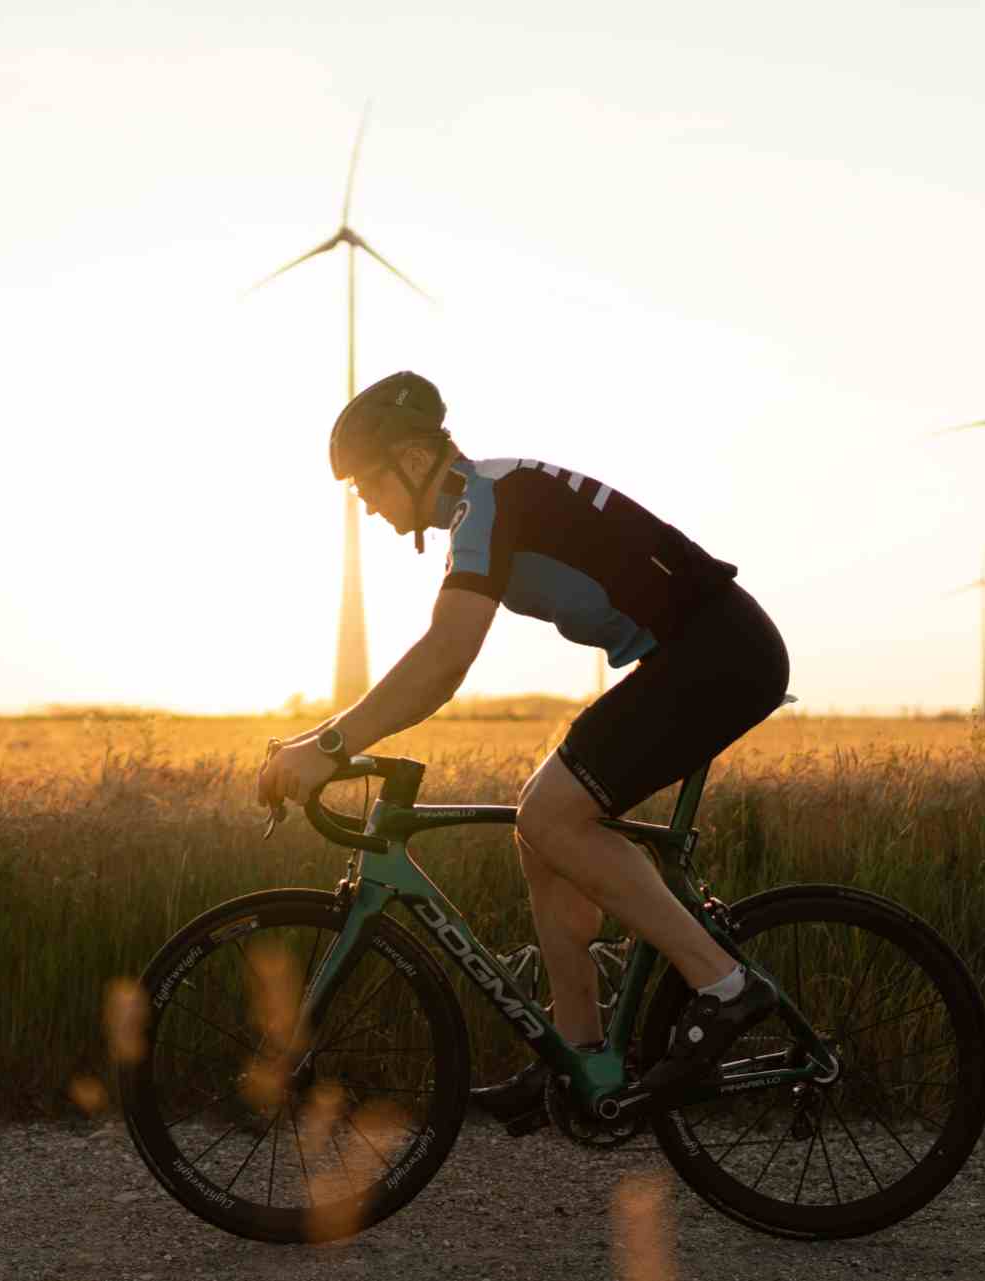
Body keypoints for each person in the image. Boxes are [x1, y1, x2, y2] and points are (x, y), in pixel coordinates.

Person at [255, 370, 791, 1132]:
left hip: (716, 652)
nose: (366, 507)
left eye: (365, 483)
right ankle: (576, 1055)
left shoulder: (484, 504)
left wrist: (331, 742)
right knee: (540, 827)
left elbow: (444, 659)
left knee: (552, 813)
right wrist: (323, 739)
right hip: (698, 649)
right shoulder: (486, 499)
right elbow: (441, 655)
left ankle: (725, 986)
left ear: (412, 460)